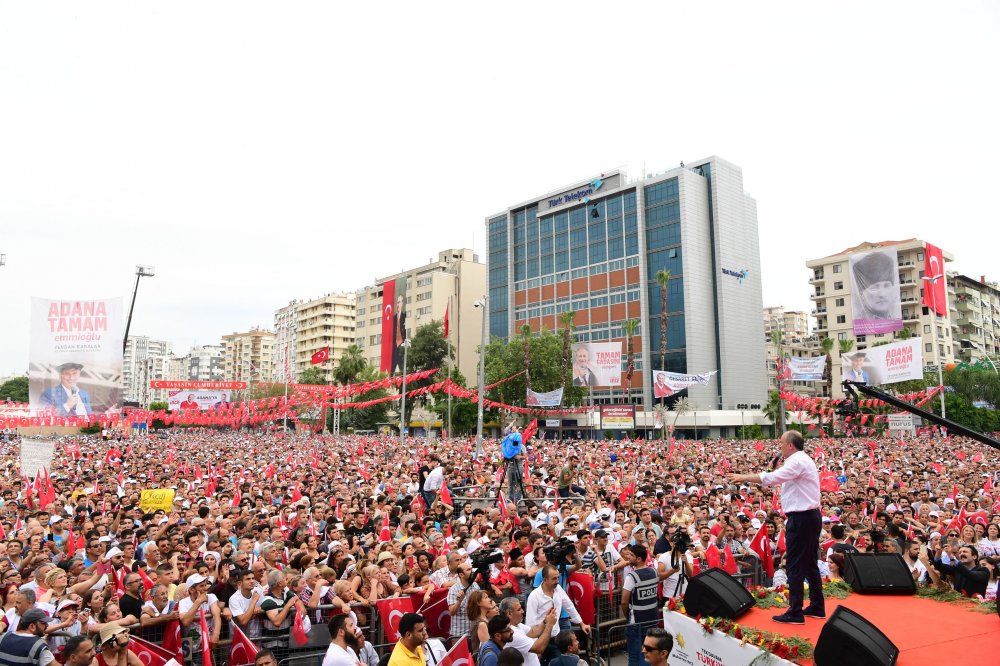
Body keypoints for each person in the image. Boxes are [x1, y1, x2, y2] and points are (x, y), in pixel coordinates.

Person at [727, 431, 824, 624]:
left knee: (795, 564)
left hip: (802, 518)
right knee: (811, 562)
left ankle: (795, 611)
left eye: (781, 442)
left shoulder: (797, 461)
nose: (779, 446)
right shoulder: (801, 459)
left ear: (790, 445)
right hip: (809, 517)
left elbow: (772, 478)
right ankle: (817, 605)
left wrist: (744, 476)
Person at [620, 545, 659, 666]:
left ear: (638, 559)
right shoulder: (654, 571)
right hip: (653, 620)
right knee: (650, 653)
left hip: (636, 623)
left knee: (636, 655)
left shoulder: (632, 577)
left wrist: (627, 616)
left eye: (631, 555)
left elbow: (624, 602)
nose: (628, 557)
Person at [852, 250, 900, 326]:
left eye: (886, 286)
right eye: (874, 288)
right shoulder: (860, 323)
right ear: (861, 294)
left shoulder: (896, 318)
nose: (882, 294)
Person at [392, 294, 407, 375]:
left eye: (399, 302)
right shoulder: (393, 318)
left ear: (402, 303)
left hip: (402, 346)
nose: (398, 304)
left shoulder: (405, 316)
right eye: (397, 302)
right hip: (394, 347)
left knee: (403, 370)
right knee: (391, 371)